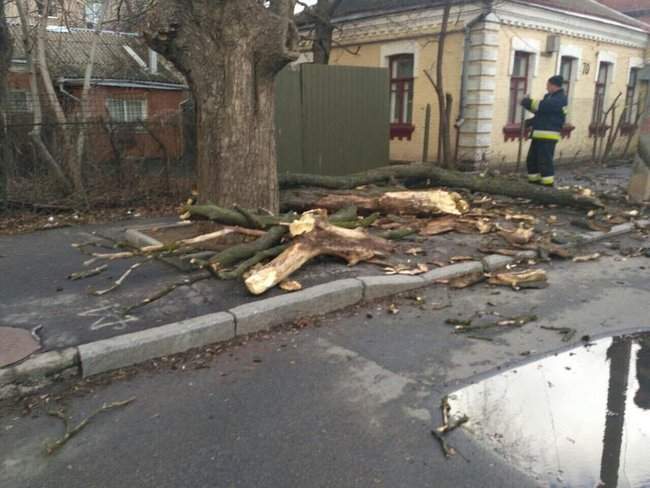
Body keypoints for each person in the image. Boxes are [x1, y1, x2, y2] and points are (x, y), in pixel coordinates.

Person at [521, 75, 568, 187]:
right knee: (532, 160)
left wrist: (526, 101)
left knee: (544, 162)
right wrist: (529, 122)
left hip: (548, 136)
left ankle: (547, 185)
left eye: (547, 85)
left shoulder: (560, 99)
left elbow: (542, 106)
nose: (546, 88)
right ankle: (533, 183)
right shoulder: (549, 97)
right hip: (538, 135)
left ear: (553, 85)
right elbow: (541, 113)